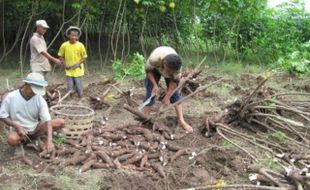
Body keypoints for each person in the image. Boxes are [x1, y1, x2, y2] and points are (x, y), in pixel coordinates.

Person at [0, 73, 65, 153]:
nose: (34, 93)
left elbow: (47, 121)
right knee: (12, 139)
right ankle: (23, 140)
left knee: (61, 122)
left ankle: (37, 138)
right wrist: (16, 125)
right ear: (26, 85)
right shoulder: (11, 97)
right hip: (18, 131)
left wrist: (49, 140)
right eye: (33, 91)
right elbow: (2, 116)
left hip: (36, 128)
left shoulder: (39, 99)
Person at [143, 46, 193, 132]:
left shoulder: (177, 69)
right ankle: (145, 120)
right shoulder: (154, 59)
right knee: (150, 93)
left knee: (175, 95)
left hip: (168, 66)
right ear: (164, 63)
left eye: (172, 72)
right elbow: (148, 72)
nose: (169, 73)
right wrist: (155, 85)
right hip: (154, 68)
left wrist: (167, 97)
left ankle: (181, 121)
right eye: (169, 71)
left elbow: (174, 82)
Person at [58, 26, 87, 98]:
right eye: (72, 35)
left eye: (75, 36)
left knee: (79, 87)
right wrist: (64, 65)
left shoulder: (80, 45)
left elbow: (84, 57)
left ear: (77, 37)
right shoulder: (64, 45)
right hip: (69, 70)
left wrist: (78, 64)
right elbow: (60, 56)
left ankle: (81, 97)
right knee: (70, 86)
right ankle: (71, 98)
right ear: (68, 35)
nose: (74, 37)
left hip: (78, 70)